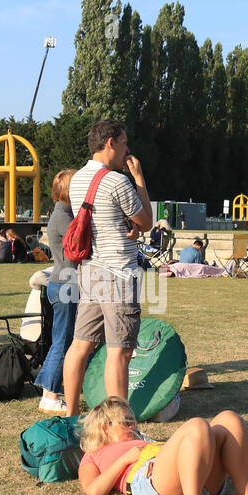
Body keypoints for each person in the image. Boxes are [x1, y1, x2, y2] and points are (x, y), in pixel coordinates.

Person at [78, 397, 248, 495]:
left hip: (188, 473)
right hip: (147, 480)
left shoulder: (142, 440)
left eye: (133, 421)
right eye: (126, 421)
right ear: (105, 426)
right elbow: (93, 490)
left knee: (230, 419)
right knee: (197, 425)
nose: (133, 426)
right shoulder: (93, 454)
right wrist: (124, 460)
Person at [62, 120, 153, 417]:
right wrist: (138, 178)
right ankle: (119, 425)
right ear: (110, 143)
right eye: (125, 143)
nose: (128, 149)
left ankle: (72, 415)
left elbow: (102, 220)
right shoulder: (118, 181)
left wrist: (128, 226)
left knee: (80, 346)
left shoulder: (76, 180)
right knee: (120, 351)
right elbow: (146, 221)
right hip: (118, 273)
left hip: (90, 271)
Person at [38, 170, 78, 412]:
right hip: (65, 286)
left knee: (63, 340)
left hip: (63, 284)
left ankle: (49, 388)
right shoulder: (63, 217)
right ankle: (50, 396)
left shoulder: (63, 214)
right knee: (62, 342)